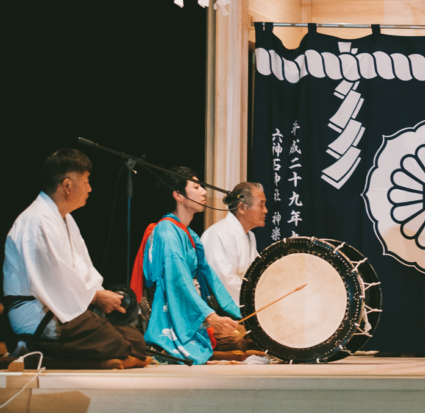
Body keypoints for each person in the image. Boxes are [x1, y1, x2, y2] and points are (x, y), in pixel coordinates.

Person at [3, 149, 150, 368]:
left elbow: (82, 268)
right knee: (111, 340)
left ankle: (98, 357)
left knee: (134, 340)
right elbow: (54, 280)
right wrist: (95, 297)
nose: (90, 188)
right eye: (86, 181)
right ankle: (30, 350)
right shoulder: (36, 221)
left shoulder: (64, 219)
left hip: (62, 305)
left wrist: (101, 295)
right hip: (36, 311)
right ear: (67, 185)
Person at [131, 167, 244, 365]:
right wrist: (211, 317)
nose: (204, 192)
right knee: (239, 339)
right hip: (173, 310)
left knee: (247, 331)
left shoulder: (189, 234)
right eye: (196, 186)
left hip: (192, 307)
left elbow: (210, 278)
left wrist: (237, 312)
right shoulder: (167, 232)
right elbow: (178, 282)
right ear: (178, 195)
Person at [200, 182, 266, 306]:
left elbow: (257, 272)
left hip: (244, 303)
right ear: (241, 208)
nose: (265, 210)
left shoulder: (250, 236)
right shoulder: (219, 233)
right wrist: (259, 298)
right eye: (261, 205)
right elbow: (223, 282)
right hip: (219, 311)